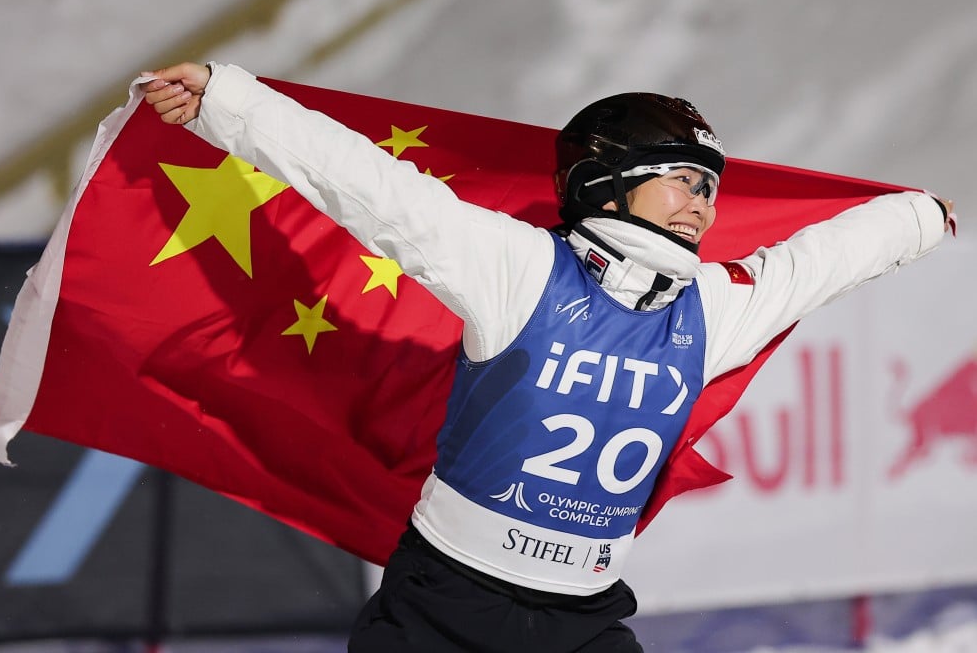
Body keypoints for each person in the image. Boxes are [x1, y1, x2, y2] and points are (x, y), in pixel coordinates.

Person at [141, 62, 955, 653]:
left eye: (708, 186)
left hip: (583, 620)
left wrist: (919, 217)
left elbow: (820, 262)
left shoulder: (713, 310)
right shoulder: (523, 268)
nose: (701, 203)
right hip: (445, 609)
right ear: (606, 183)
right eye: (678, 178)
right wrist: (226, 101)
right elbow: (371, 187)